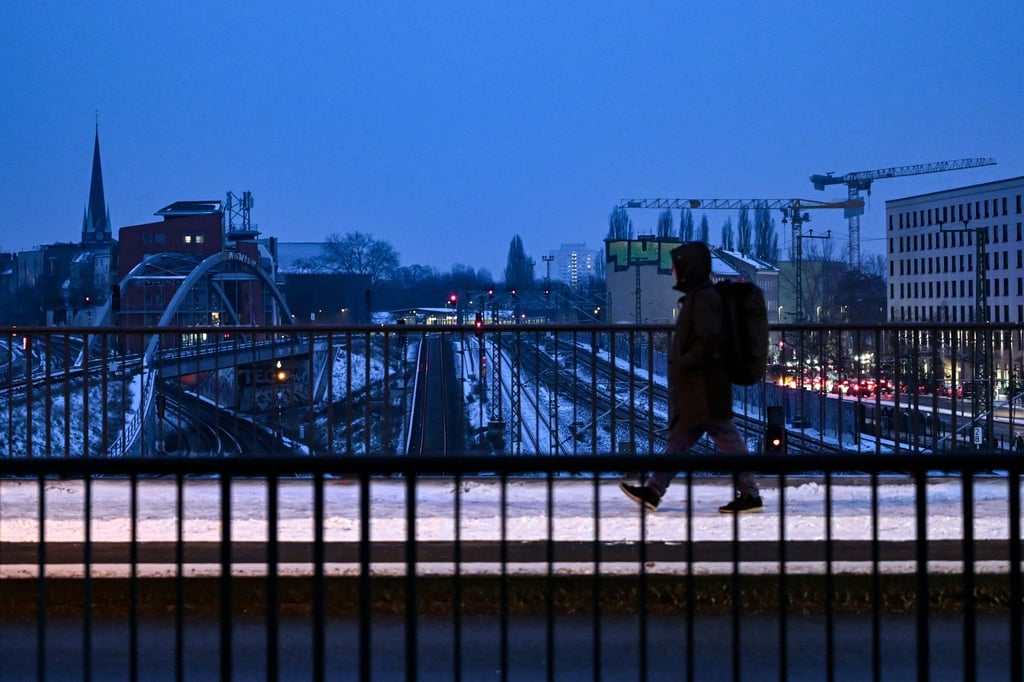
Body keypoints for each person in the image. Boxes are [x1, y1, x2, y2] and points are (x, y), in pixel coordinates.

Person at [619, 241, 762, 514]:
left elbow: (708, 339)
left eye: (676, 266)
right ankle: (653, 490)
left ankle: (750, 493)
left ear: (689, 267)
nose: (673, 271)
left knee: (725, 439)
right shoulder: (699, 296)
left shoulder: (704, 298)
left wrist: (686, 362)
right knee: (680, 439)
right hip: (699, 385)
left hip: (704, 385)